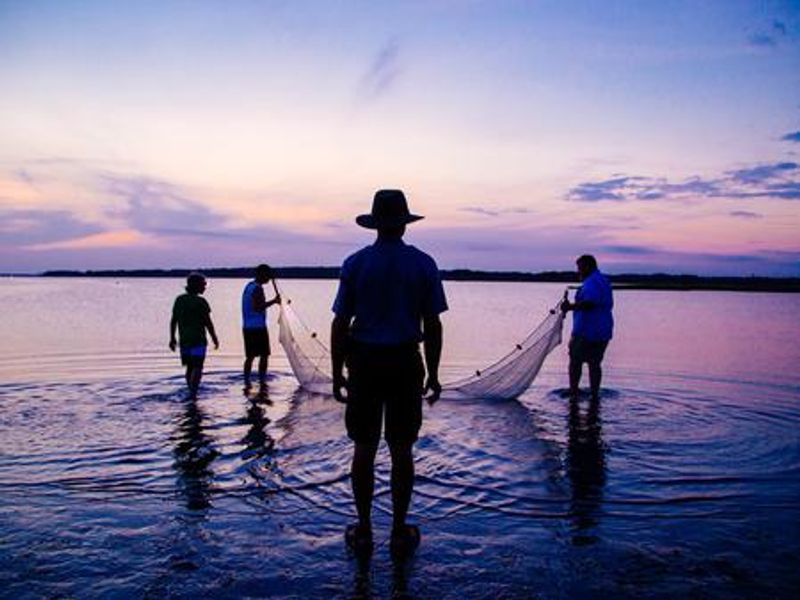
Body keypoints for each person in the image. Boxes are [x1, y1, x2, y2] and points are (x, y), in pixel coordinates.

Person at [331, 189, 448, 557]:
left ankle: (364, 528)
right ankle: (398, 529)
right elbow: (433, 324)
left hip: (364, 363)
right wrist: (433, 372)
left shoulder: (355, 263)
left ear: (375, 224)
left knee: (363, 447)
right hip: (405, 363)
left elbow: (339, 323)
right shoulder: (424, 264)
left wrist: (337, 372)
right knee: (402, 449)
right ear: (404, 223)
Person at [561, 254, 613, 401]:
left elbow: (590, 303)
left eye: (580, 267)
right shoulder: (603, 280)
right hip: (602, 331)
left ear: (588, 266)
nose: (578, 271)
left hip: (586, 331)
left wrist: (570, 306)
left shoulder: (591, 283)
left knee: (575, 362)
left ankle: (574, 393)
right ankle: (595, 395)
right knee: (595, 364)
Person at [169, 272, 219, 396]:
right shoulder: (201, 302)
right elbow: (208, 323)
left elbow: (173, 320)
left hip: (184, 340)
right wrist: (215, 338)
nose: (205, 287)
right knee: (198, 367)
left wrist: (172, 338)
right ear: (196, 286)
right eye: (203, 285)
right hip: (198, 340)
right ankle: (193, 392)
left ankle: (190, 390)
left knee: (190, 367)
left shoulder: (179, 300)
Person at [241, 264, 281, 388]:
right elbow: (258, 307)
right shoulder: (257, 288)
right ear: (261, 274)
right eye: (267, 275)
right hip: (257, 327)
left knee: (250, 356)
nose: (269, 279)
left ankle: (247, 380)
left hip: (247, 326)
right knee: (264, 355)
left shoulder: (249, 286)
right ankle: (262, 380)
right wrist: (274, 302)